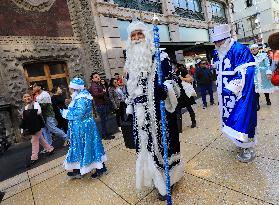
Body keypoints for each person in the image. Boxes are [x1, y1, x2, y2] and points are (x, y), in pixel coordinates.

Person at [124, 21, 183, 200]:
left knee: (162, 146)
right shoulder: (130, 62)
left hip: (158, 110)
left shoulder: (160, 56)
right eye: (133, 36)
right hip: (140, 114)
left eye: (139, 35)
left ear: (146, 35)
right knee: (146, 148)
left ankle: (168, 180)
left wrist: (165, 90)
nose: (136, 39)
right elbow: (129, 89)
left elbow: (173, 82)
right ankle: (155, 180)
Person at [211, 24, 257, 162]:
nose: (218, 44)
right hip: (224, 97)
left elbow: (247, 71)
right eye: (215, 41)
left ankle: (248, 148)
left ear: (227, 38)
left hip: (239, 96)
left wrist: (231, 88)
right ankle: (239, 144)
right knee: (230, 120)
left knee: (243, 119)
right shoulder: (217, 53)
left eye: (220, 41)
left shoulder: (240, 49)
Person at [61, 77, 107, 179]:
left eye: (71, 88)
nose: (70, 90)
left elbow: (79, 114)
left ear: (75, 88)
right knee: (80, 147)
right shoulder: (79, 97)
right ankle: (78, 169)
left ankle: (100, 168)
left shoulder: (81, 98)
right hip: (80, 127)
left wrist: (65, 113)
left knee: (89, 146)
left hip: (84, 127)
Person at [20, 93, 54, 165]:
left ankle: (34, 157)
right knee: (41, 139)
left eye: (28, 96)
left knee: (34, 141)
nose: (27, 98)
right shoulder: (24, 107)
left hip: (37, 125)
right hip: (31, 126)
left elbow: (38, 111)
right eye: (25, 97)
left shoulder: (35, 103)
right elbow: (24, 119)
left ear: (31, 97)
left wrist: (26, 113)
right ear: (23, 99)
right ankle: (50, 149)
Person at [90, 72, 115, 140]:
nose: (98, 77)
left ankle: (106, 133)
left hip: (103, 104)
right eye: (95, 77)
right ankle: (105, 135)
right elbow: (96, 94)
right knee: (103, 121)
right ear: (92, 79)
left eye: (98, 76)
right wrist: (103, 92)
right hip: (100, 105)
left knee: (105, 120)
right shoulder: (94, 85)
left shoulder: (98, 84)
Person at [250, 44, 274, 110]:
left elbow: (268, 65)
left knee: (265, 88)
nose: (253, 50)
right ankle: (257, 104)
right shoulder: (250, 57)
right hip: (254, 75)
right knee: (256, 90)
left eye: (255, 48)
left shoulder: (263, 56)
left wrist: (268, 73)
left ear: (258, 49)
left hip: (263, 74)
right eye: (252, 49)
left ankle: (267, 99)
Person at [174, 64, 197, 128]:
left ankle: (193, 122)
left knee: (189, 107)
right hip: (177, 95)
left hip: (185, 94)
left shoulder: (182, 71)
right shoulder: (171, 73)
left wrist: (182, 78)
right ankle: (179, 128)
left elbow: (191, 79)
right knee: (178, 110)